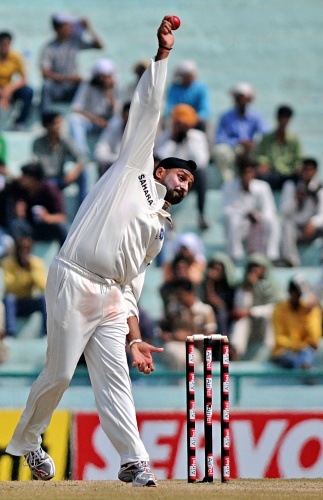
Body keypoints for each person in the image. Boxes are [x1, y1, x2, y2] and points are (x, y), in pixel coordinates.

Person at [6, 17, 195, 487]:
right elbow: (149, 109)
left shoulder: (159, 228)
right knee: (60, 374)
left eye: (190, 182)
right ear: (161, 166)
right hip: (74, 276)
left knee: (116, 379)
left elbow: (133, 288)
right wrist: (163, 56)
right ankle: (28, 441)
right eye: (180, 174)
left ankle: (134, 461)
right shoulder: (134, 166)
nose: (184, 182)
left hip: (111, 297)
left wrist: (134, 335)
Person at [155, 103, 210, 229]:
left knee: (203, 174)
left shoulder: (197, 137)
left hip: (190, 177)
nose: (181, 127)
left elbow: (201, 161)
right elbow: (161, 159)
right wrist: (173, 141)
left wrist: (187, 139)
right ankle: (164, 211)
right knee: (159, 172)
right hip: (171, 177)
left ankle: (201, 214)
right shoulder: (166, 136)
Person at [40, 13, 104, 114]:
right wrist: (70, 78)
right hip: (57, 88)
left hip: (73, 87)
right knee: (47, 86)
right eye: (67, 26)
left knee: (88, 84)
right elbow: (45, 74)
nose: (70, 28)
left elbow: (99, 46)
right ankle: (46, 118)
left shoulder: (74, 42)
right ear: (57, 29)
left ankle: (87, 115)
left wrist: (89, 28)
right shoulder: (49, 48)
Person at [222, 158, 281, 263]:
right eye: (244, 173)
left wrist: (257, 216)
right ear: (239, 174)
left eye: (250, 172)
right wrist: (245, 213)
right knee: (232, 219)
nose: (247, 176)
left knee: (273, 220)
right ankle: (235, 255)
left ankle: (272, 256)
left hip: (258, 222)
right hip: (241, 225)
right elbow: (227, 210)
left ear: (254, 173)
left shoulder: (263, 186)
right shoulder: (229, 186)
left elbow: (269, 209)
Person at [280, 157, 323, 267]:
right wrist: (296, 201)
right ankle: (291, 260)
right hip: (297, 228)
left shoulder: (321, 189)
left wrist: (313, 223)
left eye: (310, 170)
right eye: (305, 169)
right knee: (287, 226)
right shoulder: (291, 185)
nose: (307, 173)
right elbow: (284, 212)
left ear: (315, 171)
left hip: (313, 229)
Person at [0, 162, 68, 246]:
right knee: (16, 225)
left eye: (25, 176)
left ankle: (64, 254)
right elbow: (9, 185)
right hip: (30, 228)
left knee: (61, 227)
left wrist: (47, 217)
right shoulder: (20, 187)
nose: (22, 178)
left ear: (33, 179)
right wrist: (19, 212)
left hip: (47, 229)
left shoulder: (50, 190)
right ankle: (20, 256)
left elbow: (62, 217)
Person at [230, 253, 281, 361]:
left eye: (257, 266)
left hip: (264, 324)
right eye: (251, 266)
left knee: (269, 317)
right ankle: (236, 352)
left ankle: (270, 351)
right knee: (241, 321)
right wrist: (248, 287)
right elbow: (240, 308)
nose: (254, 269)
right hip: (250, 325)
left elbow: (274, 308)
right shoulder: (243, 285)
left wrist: (251, 312)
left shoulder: (272, 286)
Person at [212, 82, 268, 182]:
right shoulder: (226, 117)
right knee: (219, 151)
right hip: (234, 149)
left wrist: (252, 142)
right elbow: (220, 138)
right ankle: (229, 182)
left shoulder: (256, 117)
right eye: (239, 98)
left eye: (244, 98)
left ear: (249, 100)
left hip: (251, 149)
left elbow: (264, 134)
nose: (242, 101)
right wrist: (238, 142)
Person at [159, 277, 217, 370]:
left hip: (196, 350)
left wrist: (189, 337)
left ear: (190, 293)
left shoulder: (205, 310)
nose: (178, 297)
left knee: (190, 357)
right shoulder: (172, 309)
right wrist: (167, 335)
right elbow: (162, 330)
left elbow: (211, 337)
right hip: (175, 345)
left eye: (180, 294)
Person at [32, 111, 87, 207]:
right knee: (48, 184)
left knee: (82, 174)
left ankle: (82, 207)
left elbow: (81, 158)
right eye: (56, 123)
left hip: (61, 178)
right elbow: (40, 166)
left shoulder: (65, 140)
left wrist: (73, 173)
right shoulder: (38, 143)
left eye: (60, 123)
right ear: (47, 126)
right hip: (45, 180)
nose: (59, 126)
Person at [68, 58, 119, 158]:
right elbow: (76, 108)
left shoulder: (115, 87)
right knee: (74, 119)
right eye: (102, 77)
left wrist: (109, 92)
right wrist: (96, 120)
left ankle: (111, 153)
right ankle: (81, 153)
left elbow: (117, 112)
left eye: (107, 77)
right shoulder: (87, 85)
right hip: (91, 122)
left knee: (116, 122)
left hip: (107, 124)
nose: (104, 80)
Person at [272, 275, 323, 370]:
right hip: (283, 352)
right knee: (299, 357)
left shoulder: (312, 311)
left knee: (307, 354)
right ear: (290, 292)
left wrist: (310, 314)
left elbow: (315, 339)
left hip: (305, 351)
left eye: (301, 293)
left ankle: (304, 369)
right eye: (296, 292)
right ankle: (305, 370)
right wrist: (300, 346)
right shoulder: (279, 309)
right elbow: (279, 338)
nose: (299, 296)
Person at [2, 236, 47, 337]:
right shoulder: (8, 263)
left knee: (44, 299)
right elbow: (10, 287)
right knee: (9, 299)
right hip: (15, 304)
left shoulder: (36, 263)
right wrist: (24, 276)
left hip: (29, 301)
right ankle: (10, 333)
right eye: (21, 248)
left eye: (27, 249)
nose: (24, 251)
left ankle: (46, 333)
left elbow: (42, 286)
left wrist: (31, 269)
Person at [255, 105, 304, 190]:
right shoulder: (266, 138)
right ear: (277, 118)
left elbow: (299, 158)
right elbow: (260, 156)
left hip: (289, 174)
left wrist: (298, 166)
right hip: (271, 174)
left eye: (286, 118)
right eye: (282, 118)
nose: (284, 121)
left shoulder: (294, 140)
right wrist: (263, 163)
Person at [164, 60, 211, 132]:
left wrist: (192, 119)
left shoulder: (201, 88)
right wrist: (180, 119)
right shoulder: (174, 88)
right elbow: (170, 107)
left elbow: (204, 110)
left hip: (195, 123)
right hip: (178, 122)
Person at [0, 31, 33, 131]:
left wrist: (10, 89)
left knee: (28, 91)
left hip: (8, 89)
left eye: (8, 44)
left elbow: (24, 79)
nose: (5, 47)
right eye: (2, 45)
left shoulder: (15, 57)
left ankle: (20, 122)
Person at [201, 252, 236, 338]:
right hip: (209, 318)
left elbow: (219, 303)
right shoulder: (204, 285)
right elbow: (208, 299)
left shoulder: (230, 286)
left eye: (219, 269)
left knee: (220, 310)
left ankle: (223, 341)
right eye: (213, 268)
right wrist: (210, 281)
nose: (215, 272)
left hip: (227, 317)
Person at [94, 101, 131, 177]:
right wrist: (119, 160)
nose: (128, 120)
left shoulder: (143, 132)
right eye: (126, 117)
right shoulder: (112, 127)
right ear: (122, 116)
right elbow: (99, 154)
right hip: (114, 171)